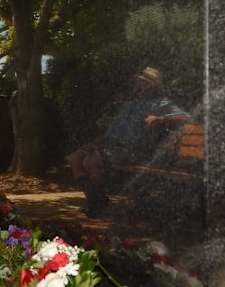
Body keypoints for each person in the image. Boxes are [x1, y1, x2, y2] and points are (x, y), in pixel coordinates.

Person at [65, 67, 189, 217]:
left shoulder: (162, 103)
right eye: (137, 82)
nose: (138, 85)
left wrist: (160, 119)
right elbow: (113, 133)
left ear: (153, 86)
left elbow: (186, 118)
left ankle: (97, 204)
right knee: (74, 158)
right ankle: (98, 199)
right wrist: (96, 143)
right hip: (114, 148)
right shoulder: (129, 105)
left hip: (139, 152)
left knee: (93, 160)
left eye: (142, 83)